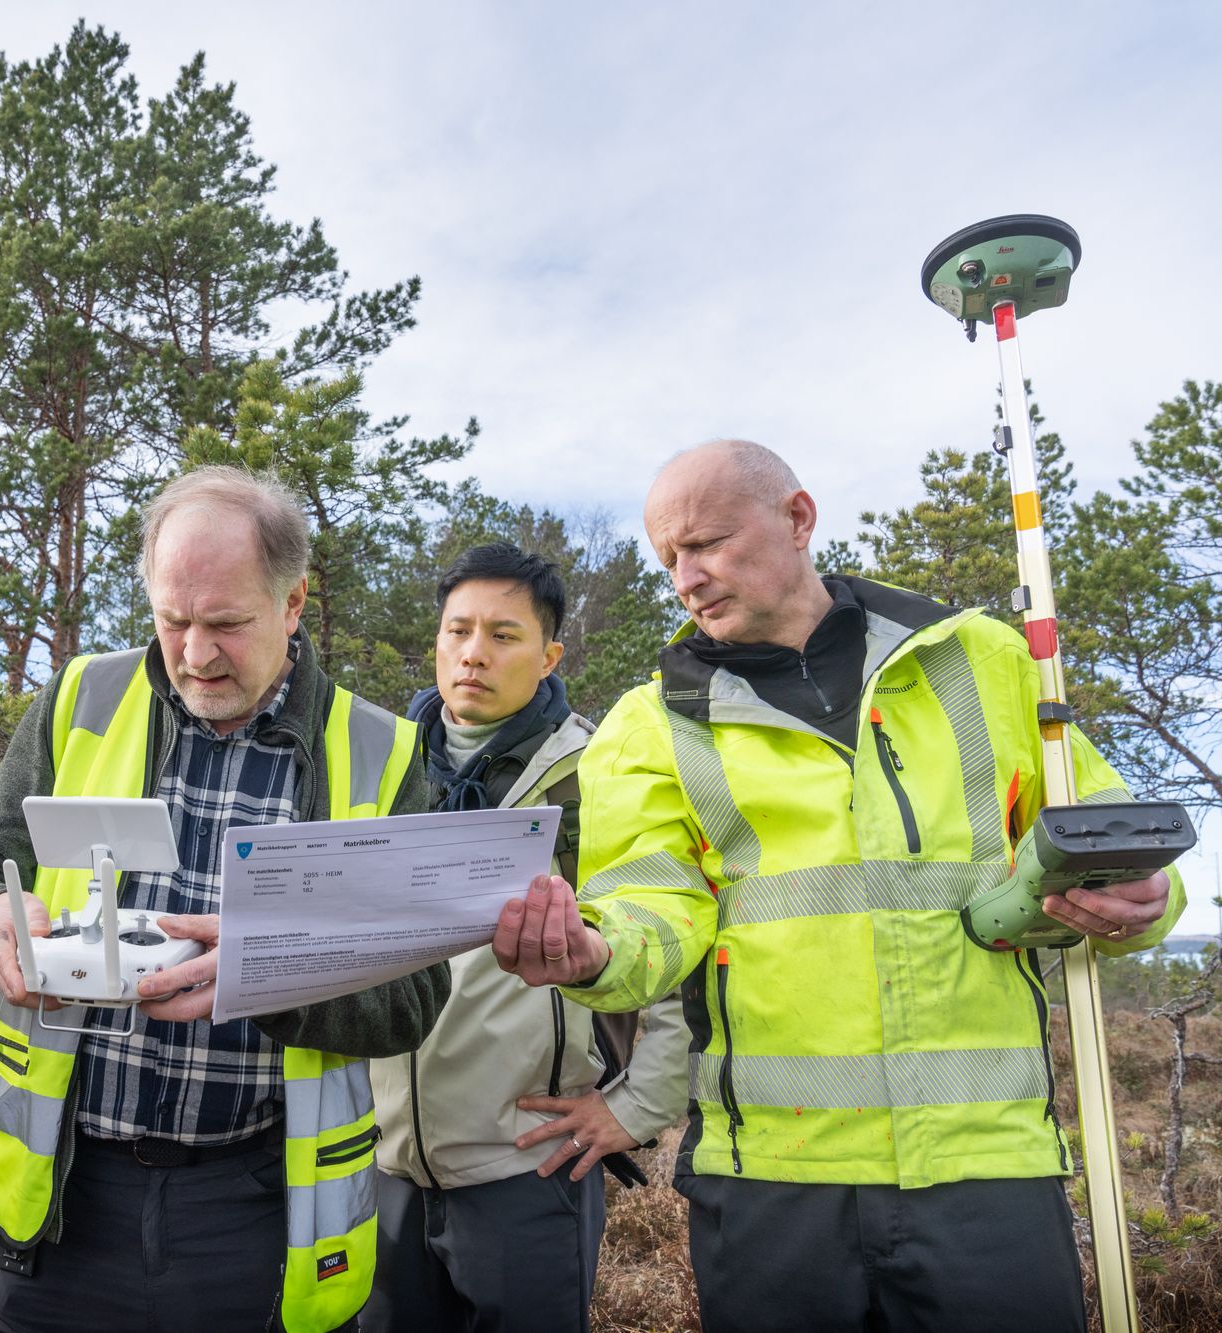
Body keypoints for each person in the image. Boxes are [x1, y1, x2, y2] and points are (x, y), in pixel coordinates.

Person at [489, 439, 1185, 1333]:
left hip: (989, 1170)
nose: (686, 578)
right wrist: (592, 952)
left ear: (799, 518)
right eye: (669, 559)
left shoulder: (982, 661)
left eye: (706, 543)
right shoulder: (651, 723)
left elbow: (1112, 833)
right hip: (772, 1181)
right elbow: (650, 910)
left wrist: (1149, 902)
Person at [0, 465, 451, 1333]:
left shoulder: (381, 754)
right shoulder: (81, 700)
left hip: (253, 1215)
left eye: (227, 623)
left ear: (292, 602)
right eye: (174, 620)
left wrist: (268, 973)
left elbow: (416, 994)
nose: (197, 653)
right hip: (57, 1210)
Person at [364, 543, 688, 1333]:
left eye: (503, 636)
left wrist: (636, 1106)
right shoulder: (375, 768)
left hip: (529, 1166)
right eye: (457, 630)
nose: (473, 653)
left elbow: (680, 954)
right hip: (378, 1169)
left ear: (549, 656)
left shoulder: (597, 779)